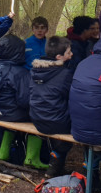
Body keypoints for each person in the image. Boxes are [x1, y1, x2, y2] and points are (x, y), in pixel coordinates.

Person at [0, 34, 47, 169]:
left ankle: (3, 153)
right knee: (39, 119)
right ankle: (32, 158)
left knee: (13, 122)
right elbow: (25, 101)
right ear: (18, 52)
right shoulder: (20, 73)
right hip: (13, 114)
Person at [30, 36, 75, 177]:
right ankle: (55, 167)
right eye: (69, 52)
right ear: (58, 57)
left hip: (37, 119)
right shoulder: (65, 74)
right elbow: (73, 97)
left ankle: (54, 165)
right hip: (56, 121)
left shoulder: (34, 70)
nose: (72, 54)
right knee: (83, 125)